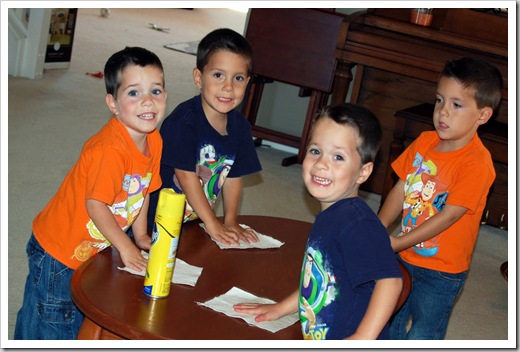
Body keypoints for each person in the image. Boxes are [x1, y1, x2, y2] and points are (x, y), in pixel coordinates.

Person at [14, 46, 168, 339]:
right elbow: (96, 205)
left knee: (39, 313)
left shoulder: (155, 139)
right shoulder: (110, 150)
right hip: (60, 253)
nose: (148, 101)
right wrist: (126, 248)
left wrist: (141, 236)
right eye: (134, 93)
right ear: (113, 103)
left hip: (86, 249)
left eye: (156, 91)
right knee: (55, 322)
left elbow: (145, 190)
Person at [234, 104, 403, 340]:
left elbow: (391, 282)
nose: (322, 164)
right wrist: (281, 308)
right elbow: (318, 281)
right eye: (315, 151)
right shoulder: (332, 214)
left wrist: (363, 338)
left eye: (338, 157)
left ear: (363, 173)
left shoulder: (359, 224)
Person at [377, 57, 503, 340]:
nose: (443, 112)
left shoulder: (477, 164)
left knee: (424, 331)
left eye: (456, 105)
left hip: (441, 272)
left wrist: (397, 242)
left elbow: (449, 215)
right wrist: (379, 227)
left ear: (482, 116)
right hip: (403, 255)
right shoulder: (424, 141)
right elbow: (401, 189)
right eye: (439, 100)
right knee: (389, 318)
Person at [147, 28, 262, 246]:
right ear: (199, 78)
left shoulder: (240, 128)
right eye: (218, 75)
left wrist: (230, 220)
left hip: (192, 221)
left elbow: (234, 177)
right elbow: (185, 176)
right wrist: (211, 222)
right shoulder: (183, 121)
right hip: (155, 221)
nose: (228, 87)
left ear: (247, 82)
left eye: (238, 78)